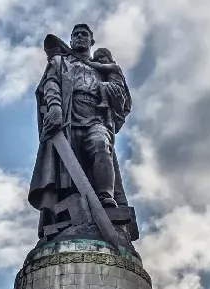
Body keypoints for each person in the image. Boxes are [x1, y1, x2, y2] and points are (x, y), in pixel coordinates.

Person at [29, 23, 133, 238]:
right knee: (67, 171)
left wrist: (112, 90)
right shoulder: (60, 62)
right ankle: (71, 215)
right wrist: (55, 107)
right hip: (68, 119)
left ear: (91, 41)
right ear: (70, 40)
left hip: (95, 117)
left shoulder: (103, 68)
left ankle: (105, 198)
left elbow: (122, 102)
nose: (79, 37)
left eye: (84, 34)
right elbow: (50, 85)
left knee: (101, 145)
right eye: (75, 34)